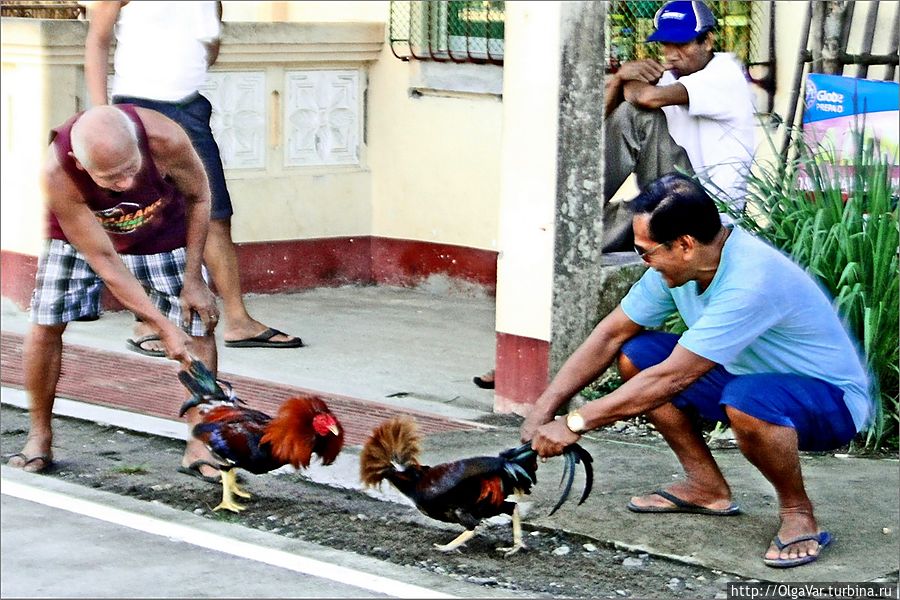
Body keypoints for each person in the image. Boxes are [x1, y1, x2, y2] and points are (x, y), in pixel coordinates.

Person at [521, 173, 872, 569]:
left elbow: (673, 378)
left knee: (745, 400)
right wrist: (545, 406)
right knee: (639, 356)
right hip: (743, 380)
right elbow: (610, 334)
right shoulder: (676, 269)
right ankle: (707, 488)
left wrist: (575, 422)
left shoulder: (751, 281)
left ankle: (797, 512)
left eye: (646, 251)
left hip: (830, 402)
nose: (644, 262)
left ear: (685, 244)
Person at [6, 105, 223, 480]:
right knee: (46, 320)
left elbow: (200, 198)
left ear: (140, 145)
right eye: (110, 178)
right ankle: (39, 435)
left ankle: (199, 443)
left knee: (196, 323)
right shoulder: (57, 171)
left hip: (161, 228)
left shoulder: (166, 139)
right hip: (84, 237)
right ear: (79, 161)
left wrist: (193, 280)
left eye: (130, 169)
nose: (124, 184)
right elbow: (105, 260)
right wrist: (157, 323)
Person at [84, 0, 302, 356]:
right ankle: (147, 321)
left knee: (215, 211)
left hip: (189, 107)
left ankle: (237, 320)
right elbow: (97, 39)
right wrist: (100, 114)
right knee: (145, 217)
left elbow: (209, 47)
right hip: (136, 106)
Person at [602, 0, 756, 252]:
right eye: (666, 45)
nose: (672, 54)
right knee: (611, 222)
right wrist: (620, 79)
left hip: (712, 212)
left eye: (682, 44)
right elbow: (604, 116)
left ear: (707, 41)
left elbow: (646, 97)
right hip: (670, 199)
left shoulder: (726, 72)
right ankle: (576, 209)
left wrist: (629, 83)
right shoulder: (670, 77)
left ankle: (574, 219)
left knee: (640, 115)